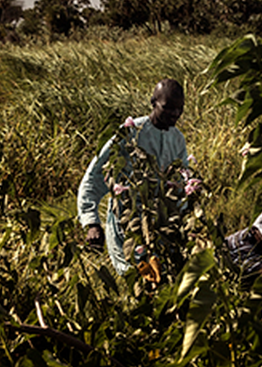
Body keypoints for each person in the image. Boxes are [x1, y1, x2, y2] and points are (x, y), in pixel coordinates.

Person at [78, 78, 189, 273]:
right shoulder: (131, 133)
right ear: (153, 102)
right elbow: (96, 173)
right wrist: (92, 222)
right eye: (168, 107)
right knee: (133, 278)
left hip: (160, 225)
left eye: (179, 109)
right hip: (126, 223)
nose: (175, 114)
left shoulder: (177, 140)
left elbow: (181, 183)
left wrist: (186, 219)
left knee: (162, 278)